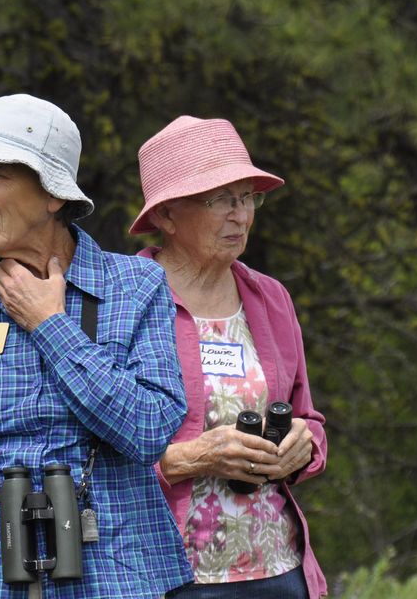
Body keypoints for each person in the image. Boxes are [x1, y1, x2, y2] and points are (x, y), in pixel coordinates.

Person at [0, 94, 192, 598]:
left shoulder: (135, 286)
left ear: (53, 195)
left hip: (115, 577)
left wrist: (49, 324)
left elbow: (148, 429)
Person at [130, 116, 328, 599]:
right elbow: (81, 451)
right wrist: (183, 460)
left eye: (248, 198)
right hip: (169, 575)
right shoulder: (123, 301)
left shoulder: (270, 297)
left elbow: (309, 419)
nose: (241, 215)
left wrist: (305, 447)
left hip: (278, 571)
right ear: (167, 216)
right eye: (221, 200)